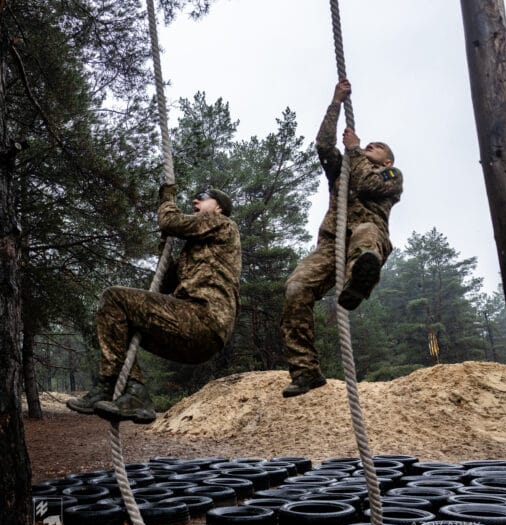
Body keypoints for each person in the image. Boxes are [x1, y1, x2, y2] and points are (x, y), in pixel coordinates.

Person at [66, 183, 242, 424]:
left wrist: (167, 199)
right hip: (192, 333)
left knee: (115, 298)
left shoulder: (223, 224)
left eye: (201, 197)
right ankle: (131, 392)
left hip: (203, 318)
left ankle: (114, 385)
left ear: (219, 207)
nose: (194, 202)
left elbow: (169, 220)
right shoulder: (195, 250)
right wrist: (164, 245)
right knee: (121, 323)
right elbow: (167, 284)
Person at [280, 79, 403, 398]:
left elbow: (366, 187)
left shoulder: (391, 175)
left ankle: (358, 282)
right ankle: (306, 370)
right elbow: (322, 145)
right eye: (367, 144)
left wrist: (354, 151)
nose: (368, 146)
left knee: (364, 235)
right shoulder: (344, 169)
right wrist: (335, 103)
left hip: (367, 239)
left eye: (375, 146)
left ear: (387, 161)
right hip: (331, 244)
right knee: (296, 287)